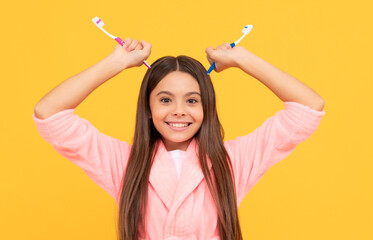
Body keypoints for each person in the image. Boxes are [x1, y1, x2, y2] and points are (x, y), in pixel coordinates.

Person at [33, 38, 325, 240]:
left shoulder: (233, 161)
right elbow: (49, 114)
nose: (179, 111)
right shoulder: (124, 163)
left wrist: (240, 58)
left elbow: (308, 108)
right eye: (165, 99)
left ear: (206, 107)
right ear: (148, 108)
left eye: (192, 100)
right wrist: (116, 62)